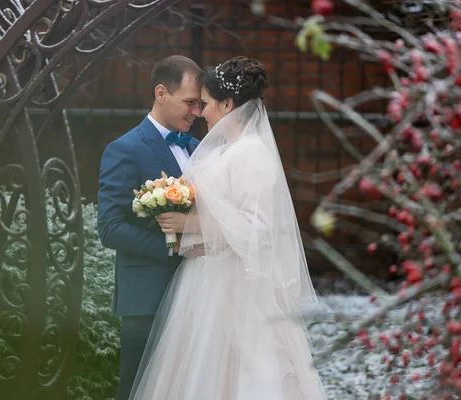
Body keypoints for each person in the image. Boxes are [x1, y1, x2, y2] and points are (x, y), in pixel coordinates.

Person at [130, 57, 327, 399]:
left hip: (235, 285)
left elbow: (260, 229)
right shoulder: (225, 151)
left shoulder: (251, 154)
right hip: (203, 281)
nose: (201, 113)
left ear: (226, 104)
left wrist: (190, 224)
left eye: (205, 104)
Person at [97, 55, 202, 400]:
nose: (196, 112)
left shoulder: (200, 150)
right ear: (161, 93)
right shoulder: (124, 149)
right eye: (189, 102)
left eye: (200, 104)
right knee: (137, 390)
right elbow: (110, 227)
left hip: (198, 293)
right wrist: (172, 247)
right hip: (147, 297)